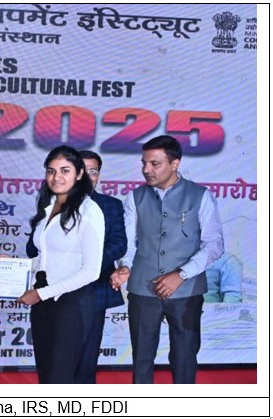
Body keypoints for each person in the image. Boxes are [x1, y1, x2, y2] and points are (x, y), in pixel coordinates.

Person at [110, 135, 224, 384]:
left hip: (187, 290)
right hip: (142, 289)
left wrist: (181, 274)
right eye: (144, 163)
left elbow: (214, 245)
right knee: (141, 357)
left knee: (184, 358)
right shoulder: (135, 197)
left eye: (155, 164)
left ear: (175, 164)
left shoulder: (201, 195)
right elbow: (129, 242)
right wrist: (125, 267)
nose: (146, 169)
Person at [19, 145, 105, 384]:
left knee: (60, 379)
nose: (56, 177)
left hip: (71, 305)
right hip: (43, 302)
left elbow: (91, 271)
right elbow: (46, 259)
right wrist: (17, 266)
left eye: (65, 170)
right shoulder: (48, 206)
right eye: (51, 171)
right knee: (46, 376)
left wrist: (41, 294)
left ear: (79, 174)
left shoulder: (89, 211)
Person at [75, 150, 127, 383]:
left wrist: (88, 264)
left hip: (94, 288)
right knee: (58, 357)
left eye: (93, 171)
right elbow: (35, 248)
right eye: (83, 170)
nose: (88, 176)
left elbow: (119, 244)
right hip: (56, 290)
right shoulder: (53, 203)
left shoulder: (111, 205)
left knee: (87, 357)